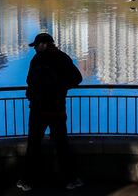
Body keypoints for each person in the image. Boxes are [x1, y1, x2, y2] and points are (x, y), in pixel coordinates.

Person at [16, 32, 84, 192]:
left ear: (43, 44)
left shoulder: (37, 60)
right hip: (57, 109)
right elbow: (77, 78)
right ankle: (70, 180)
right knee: (62, 146)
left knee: (33, 146)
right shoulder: (62, 57)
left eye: (36, 46)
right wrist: (61, 87)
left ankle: (27, 180)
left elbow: (29, 81)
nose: (34, 49)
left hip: (38, 110)